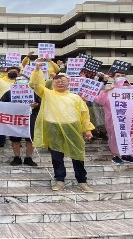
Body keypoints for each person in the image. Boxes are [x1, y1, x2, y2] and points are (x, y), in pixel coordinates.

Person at [29, 64, 95, 193]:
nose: (60, 83)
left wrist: (87, 129)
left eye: (63, 81)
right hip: (53, 127)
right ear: (52, 83)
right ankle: (60, 180)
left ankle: (82, 181)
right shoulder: (47, 94)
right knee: (56, 155)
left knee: (78, 154)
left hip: (73, 127)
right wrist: (37, 70)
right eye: (57, 81)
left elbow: (84, 114)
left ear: (68, 83)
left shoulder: (75, 98)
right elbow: (34, 85)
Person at [95, 73, 133, 164]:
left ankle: (127, 155)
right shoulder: (109, 91)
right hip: (113, 120)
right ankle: (115, 155)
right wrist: (105, 92)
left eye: (126, 83)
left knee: (129, 137)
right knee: (115, 137)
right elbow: (99, 101)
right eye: (122, 83)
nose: (125, 85)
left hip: (129, 120)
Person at [0, 74, 39, 166]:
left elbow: (41, 103)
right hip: (15, 119)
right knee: (15, 139)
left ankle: (28, 158)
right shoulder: (9, 93)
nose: (21, 82)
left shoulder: (33, 93)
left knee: (30, 139)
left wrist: (36, 105)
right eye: (19, 80)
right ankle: (17, 157)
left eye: (24, 80)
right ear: (15, 82)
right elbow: (2, 105)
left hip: (30, 118)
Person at [0, 66, 20, 147]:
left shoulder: (21, 82)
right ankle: (1, 141)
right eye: (11, 71)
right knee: (0, 124)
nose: (13, 73)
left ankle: (16, 141)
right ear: (6, 72)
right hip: (1, 105)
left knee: (15, 125)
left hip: (16, 107)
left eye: (16, 72)